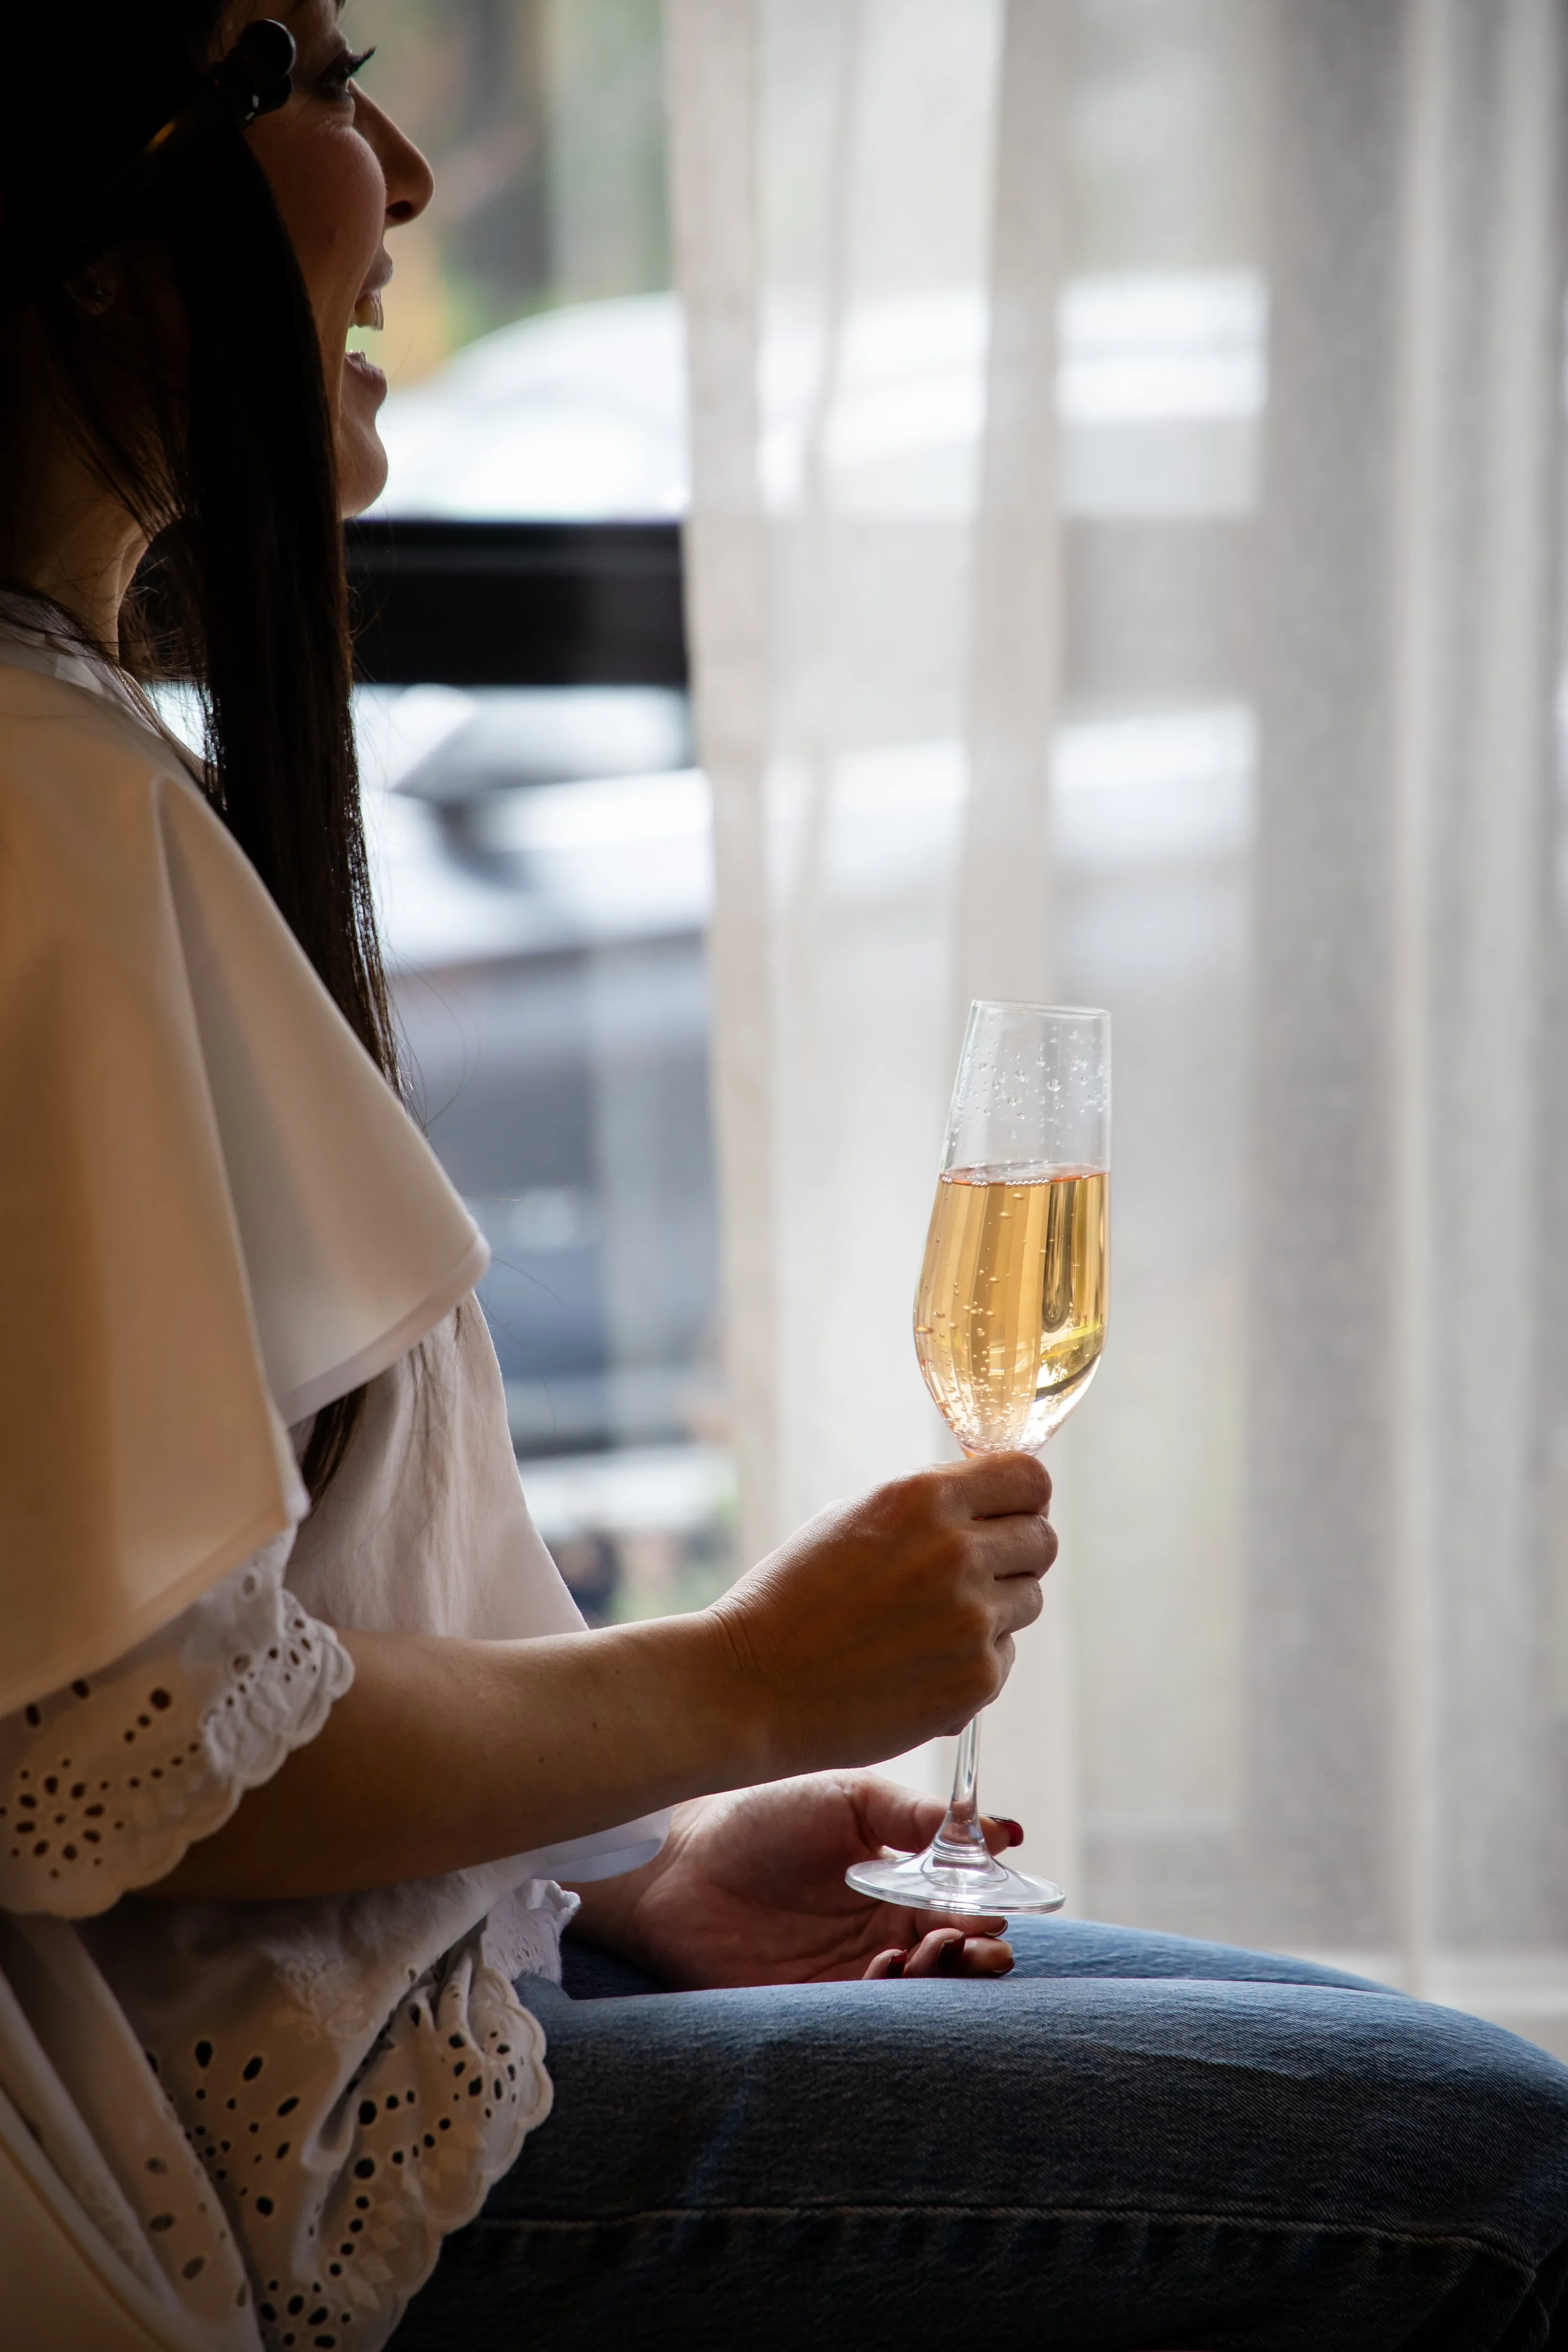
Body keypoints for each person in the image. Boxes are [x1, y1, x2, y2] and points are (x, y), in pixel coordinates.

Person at [0, 8, 1564, 2349]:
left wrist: (634, 1868)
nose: (407, 172)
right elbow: (138, 1757)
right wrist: (748, 1681)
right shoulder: (36, 803)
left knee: (1435, 2089)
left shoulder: (81, 746)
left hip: (443, 1993)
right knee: (1488, 2180)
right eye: (317, 76)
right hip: (270, 2164)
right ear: (105, 236)